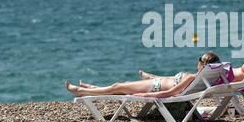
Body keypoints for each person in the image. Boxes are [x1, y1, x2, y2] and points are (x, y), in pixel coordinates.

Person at [64, 51, 221, 98]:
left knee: (118, 86)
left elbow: (170, 92)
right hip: (158, 83)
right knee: (122, 86)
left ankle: (81, 91)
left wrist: (143, 96)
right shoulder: (206, 79)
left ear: (202, 63)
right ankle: (94, 88)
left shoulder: (192, 77)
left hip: (155, 87)